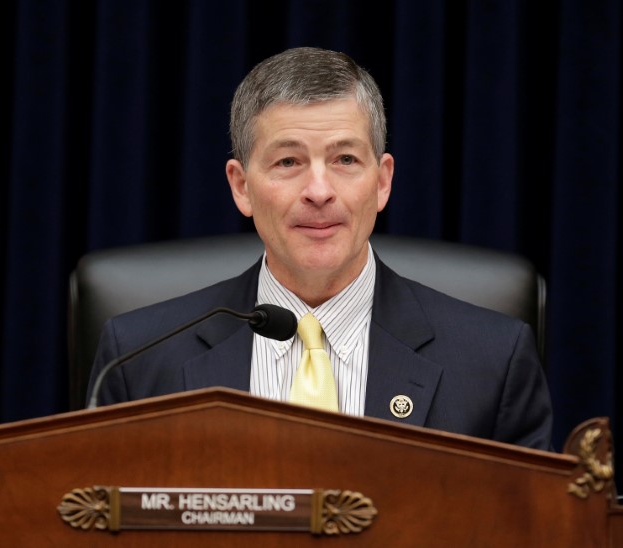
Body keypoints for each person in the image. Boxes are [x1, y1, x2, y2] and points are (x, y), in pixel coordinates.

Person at [88, 47, 553, 450]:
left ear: (383, 181)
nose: (318, 190)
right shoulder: (138, 360)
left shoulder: (494, 361)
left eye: (344, 159)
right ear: (242, 186)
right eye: (288, 161)